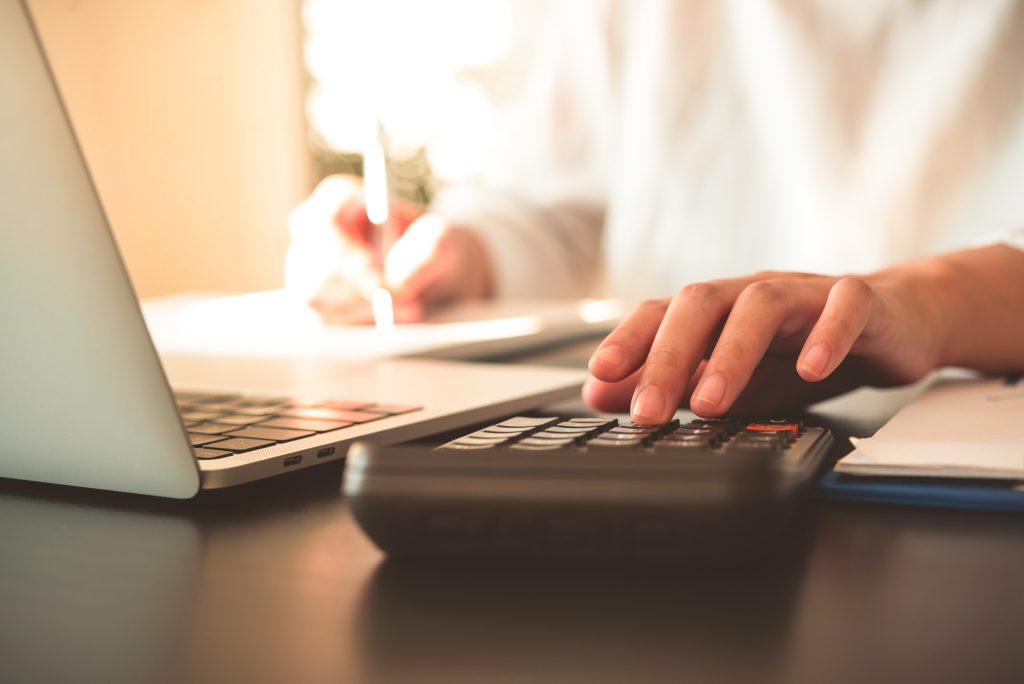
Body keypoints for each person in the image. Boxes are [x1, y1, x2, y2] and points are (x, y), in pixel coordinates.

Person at [287, 0, 1024, 424]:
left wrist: (926, 302)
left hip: (967, 445)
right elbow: (556, 203)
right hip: (668, 425)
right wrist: (456, 251)